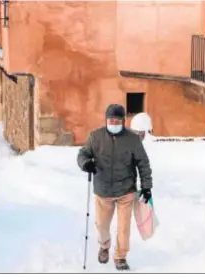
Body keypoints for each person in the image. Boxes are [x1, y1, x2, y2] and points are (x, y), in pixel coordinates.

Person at [77, 104, 153, 271]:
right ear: (106, 120)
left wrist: (146, 187)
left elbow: (143, 164)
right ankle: (104, 246)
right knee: (101, 226)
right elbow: (83, 154)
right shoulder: (96, 137)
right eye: (111, 119)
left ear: (123, 121)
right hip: (103, 191)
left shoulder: (132, 139)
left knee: (124, 228)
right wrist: (85, 163)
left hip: (125, 190)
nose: (114, 122)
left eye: (118, 120)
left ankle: (120, 257)